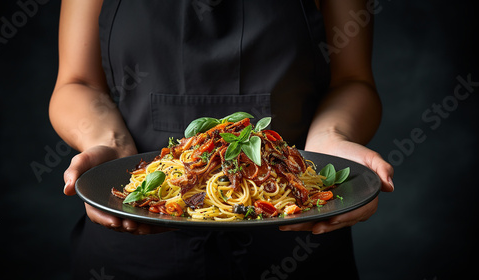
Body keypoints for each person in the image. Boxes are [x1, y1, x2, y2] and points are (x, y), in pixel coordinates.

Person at [50, 0, 394, 279]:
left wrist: (331, 138)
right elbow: (77, 82)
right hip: (129, 247)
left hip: (298, 241)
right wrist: (106, 141)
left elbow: (352, 80)